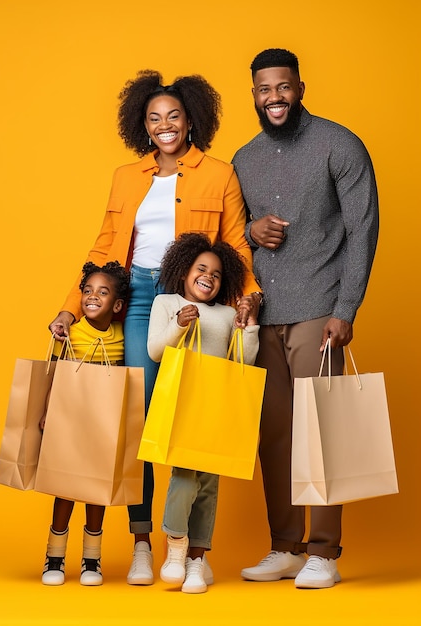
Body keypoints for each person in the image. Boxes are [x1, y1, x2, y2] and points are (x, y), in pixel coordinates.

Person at [48, 70, 261, 586]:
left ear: (191, 121)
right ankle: (142, 542)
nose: (165, 126)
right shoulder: (126, 176)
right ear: (142, 125)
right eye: (154, 118)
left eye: (174, 117)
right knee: (142, 423)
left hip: (195, 300)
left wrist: (248, 296)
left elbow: (235, 244)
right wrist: (69, 308)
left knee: (193, 421)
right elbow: (102, 250)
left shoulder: (219, 173)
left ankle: (187, 548)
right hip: (139, 298)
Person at [232, 48, 379, 588]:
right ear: (254, 95)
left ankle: (324, 551)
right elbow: (233, 230)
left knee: (323, 430)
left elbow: (363, 231)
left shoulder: (339, 144)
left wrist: (347, 308)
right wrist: (250, 232)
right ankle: (285, 546)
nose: (274, 97)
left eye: (283, 86)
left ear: (300, 87)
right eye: (264, 89)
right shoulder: (243, 158)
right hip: (263, 315)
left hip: (320, 306)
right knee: (274, 436)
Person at [147, 232, 260, 593]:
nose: (208, 276)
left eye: (216, 273)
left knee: (210, 483)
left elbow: (242, 360)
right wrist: (178, 325)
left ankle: (197, 559)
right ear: (184, 271)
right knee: (184, 473)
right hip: (184, 400)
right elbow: (154, 351)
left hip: (217, 404)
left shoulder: (228, 314)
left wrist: (250, 327)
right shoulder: (167, 302)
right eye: (201, 268)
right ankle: (177, 547)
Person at [40, 261, 130, 586]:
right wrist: (47, 410)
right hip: (69, 420)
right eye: (88, 291)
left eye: (102, 293)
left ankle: (92, 560)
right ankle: (55, 557)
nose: (92, 297)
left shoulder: (122, 336)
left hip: (102, 425)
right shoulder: (70, 333)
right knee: (65, 487)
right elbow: (53, 373)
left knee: (96, 486)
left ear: (117, 305)